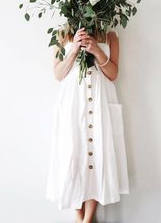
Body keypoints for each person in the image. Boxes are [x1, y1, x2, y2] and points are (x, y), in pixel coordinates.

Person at [45, 26, 130, 223]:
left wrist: (97, 50)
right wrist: (74, 49)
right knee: (73, 152)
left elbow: (113, 73)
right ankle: (78, 214)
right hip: (73, 102)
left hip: (100, 101)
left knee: (97, 152)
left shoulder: (110, 35)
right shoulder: (60, 34)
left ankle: (88, 219)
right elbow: (58, 74)